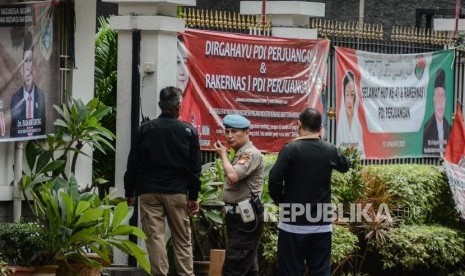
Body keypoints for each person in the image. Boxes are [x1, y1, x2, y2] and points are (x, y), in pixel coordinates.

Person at [124, 86, 201, 276]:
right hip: (177, 192)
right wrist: (193, 196)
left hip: (149, 192)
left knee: (155, 238)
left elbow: (132, 162)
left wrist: (129, 191)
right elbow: (195, 169)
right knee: (182, 239)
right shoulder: (188, 132)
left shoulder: (145, 130)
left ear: (160, 105)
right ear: (178, 106)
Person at [269, 108, 350, 276]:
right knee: (320, 271)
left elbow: (274, 179)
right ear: (320, 127)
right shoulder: (329, 149)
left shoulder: (290, 149)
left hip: (292, 223)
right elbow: (345, 165)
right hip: (320, 224)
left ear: (299, 124)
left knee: (290, 271)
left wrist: (282, 202)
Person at [213, 114, 264, 276]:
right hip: (238, 213)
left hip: (246, 213)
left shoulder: (250, 154)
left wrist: (222, 154)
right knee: (247, 264)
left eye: (235, 132)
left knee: (234, 264)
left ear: (247, 132)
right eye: (227, 132)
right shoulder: (239, 153)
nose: (229, 136)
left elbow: (233, 176)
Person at [10, 31, 46, 138]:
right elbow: (13, 132)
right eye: (26, 61)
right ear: (22, 66)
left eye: (31, 61)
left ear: (34, 65)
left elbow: (42, 128)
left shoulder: (41, 96)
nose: (28, 67)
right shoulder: (15, 98)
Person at [423, 68, 451, 157]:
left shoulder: (449, 128)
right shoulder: (427, 127)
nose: (440, 100)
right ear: (434, 99)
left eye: (442, 95)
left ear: (446, 100)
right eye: (438, 95)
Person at [336, 70, 364, 156]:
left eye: (352, 95)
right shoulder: (339, 125)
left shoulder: (359, 126)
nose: (349, 101)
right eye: (347, 94)